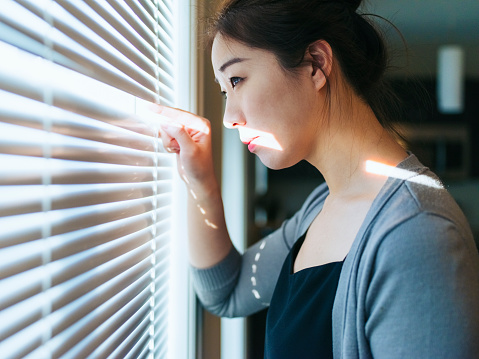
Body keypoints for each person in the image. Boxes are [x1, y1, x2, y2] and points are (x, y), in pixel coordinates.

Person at [158, 0, 479, 357]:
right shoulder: (321, 207)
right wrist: (199, 180)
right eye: (224, 91)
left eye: (237, 80)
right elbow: (228, 291)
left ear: (316, 65)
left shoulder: (417, 233)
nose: (228, 117)